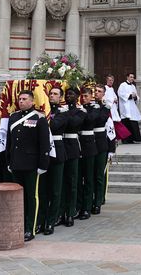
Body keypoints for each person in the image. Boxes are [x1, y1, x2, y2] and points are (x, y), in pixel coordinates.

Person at [5, 90, 51, 242]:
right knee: (19, 198)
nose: (21, 101)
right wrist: (9, 161)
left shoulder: (39, 118)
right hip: (17, 164)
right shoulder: (14, 117)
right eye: (19, 99)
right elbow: (9, 142)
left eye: (24, 99)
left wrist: (43, 164)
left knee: (32, 197)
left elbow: (44, 144)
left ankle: (30, 228)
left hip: (32, 165)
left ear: (32, 101)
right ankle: (19, 225)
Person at [38, 86, 68, 235]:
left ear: (60, 97)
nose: (52, 96)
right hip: (44, 152)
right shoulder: (43, 111)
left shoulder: (63, 112)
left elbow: (55, 125)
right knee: (42, 190)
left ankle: (51, 221)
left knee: (56, 190)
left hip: (57, 151)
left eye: (55, 94)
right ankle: (41, 220)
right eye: (50, 94)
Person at [60, 87, 84, 227]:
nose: (69, 96)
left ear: (77, 96)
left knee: (72, 181)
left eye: (71, 94)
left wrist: (65, 114)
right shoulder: (62, 110)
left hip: (73, 147)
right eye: (67, 94)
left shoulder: (80, 111)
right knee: (62, 182)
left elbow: (74, 123)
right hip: (61, 145)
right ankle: (61, 212)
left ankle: (70, 213)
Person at [76, 87, 97, 220]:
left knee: (88, 178)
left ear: (91, 96)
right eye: (82, 96)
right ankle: (78, 206)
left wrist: (83, 112)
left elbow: (91, 120)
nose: (83, 98)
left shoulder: (94, 108)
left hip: (89, 145)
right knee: (78, 178)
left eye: (86, 96)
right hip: (78, 145)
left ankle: (87, 208)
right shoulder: (78, 109)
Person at [91, 85, 113, 213]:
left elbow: (105, 124)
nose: (96, 93)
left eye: (99, 92)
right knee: (89, 175)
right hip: (89, 143)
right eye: (95, 91)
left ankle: (98, 201)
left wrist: (111, 149)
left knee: (99, 174)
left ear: (103, 94)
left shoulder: (105, 108)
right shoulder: (88, 107)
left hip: (100, 143)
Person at [117, 73, 141, 143]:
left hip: (132, 107)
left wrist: (135, 97)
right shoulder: (122, 85)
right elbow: (120, 93)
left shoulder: (133, 86)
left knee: (133, 123)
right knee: (126, 123)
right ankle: (125, 140)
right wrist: (130, 95)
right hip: (125, 107)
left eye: (133, 77)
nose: (132, 79)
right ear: (127, 77)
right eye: (131, 77)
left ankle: (133, 139)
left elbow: (136, 96)